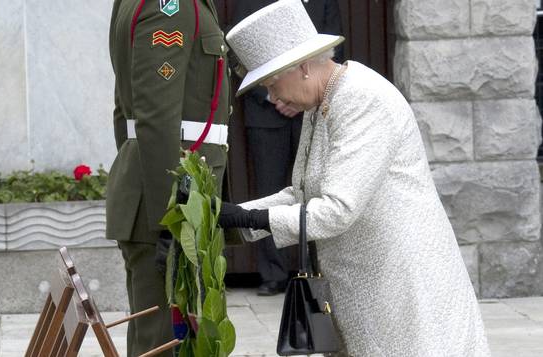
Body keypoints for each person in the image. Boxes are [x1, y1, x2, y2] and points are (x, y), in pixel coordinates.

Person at [219, 0, 491, 355]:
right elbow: (303, 192)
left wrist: (251, 218)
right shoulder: (322, 101)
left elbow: (337, 209)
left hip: (401, 286)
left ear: (301, 67)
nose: (270, 97)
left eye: (271, 83)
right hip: (364, 286)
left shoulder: (362, 99)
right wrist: (228, 217)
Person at [107, 0, 230, 355]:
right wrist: (170, 217)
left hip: (161, 189)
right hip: (175, 199)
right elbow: (155, 118)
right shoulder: (169, 8)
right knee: (164, 341)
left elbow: (124, 111)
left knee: (158, 336)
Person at [228, 0, 344, 296]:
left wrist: (299, 95)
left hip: (311, 102)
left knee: (317, 187)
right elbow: (237, 54)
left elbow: (331, 45)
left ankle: (315, 269)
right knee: (270, 187)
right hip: (265, 116)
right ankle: (273, 273)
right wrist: (273, 95)